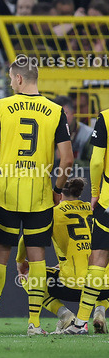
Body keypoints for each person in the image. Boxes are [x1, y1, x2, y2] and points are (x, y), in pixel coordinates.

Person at [0, 56, 73, 335]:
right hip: (40, 195)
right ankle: (34, 324)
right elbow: (67, 160)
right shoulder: (56, 110)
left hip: (6, 193)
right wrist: (57, 190)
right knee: (37, 257)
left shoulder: (2, 106)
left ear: (18, 78)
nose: (10, 82)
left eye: (10, 78)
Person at [17, 178, 108, 334]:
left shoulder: (53, 213)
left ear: (58, 193)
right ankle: (100, 310)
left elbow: (28, 238)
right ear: (79, 193)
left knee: (29, 276)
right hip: (103, 286)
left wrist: (20, 261)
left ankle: (65, 315)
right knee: (101, 274)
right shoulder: (93, 209)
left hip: (71, 286)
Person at [66, 103, 109, 333]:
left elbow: (96, 161)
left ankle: (81, 322)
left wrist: (94, 193)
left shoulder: (106, 118)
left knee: (99, 259)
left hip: (108, 201)